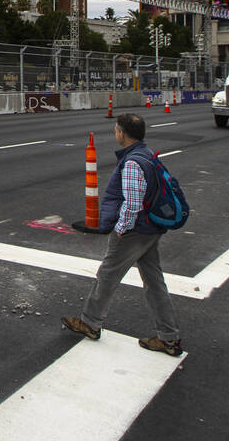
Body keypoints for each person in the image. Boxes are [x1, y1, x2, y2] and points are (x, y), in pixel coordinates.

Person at [61, 113, 182, 356]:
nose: (115, 132)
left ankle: (90, 323)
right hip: (151, 228)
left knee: (107, 275)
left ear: (122, 133)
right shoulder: (147, 154)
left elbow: (133, 203)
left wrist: (120, 229)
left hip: (135, 231)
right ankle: (169, 337)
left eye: (116, 129)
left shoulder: (132, 162)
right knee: (154, 282)